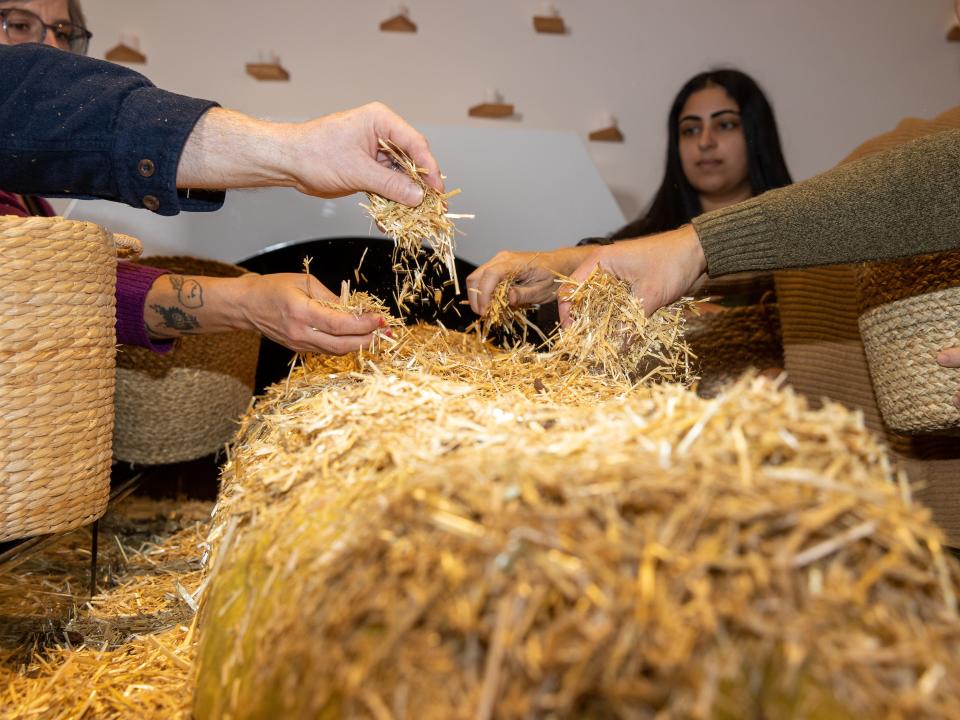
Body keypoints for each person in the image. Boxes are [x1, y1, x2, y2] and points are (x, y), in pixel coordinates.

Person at [0, 5, 441, 354]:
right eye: (20, 24)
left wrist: (249, 301)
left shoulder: (28, 202)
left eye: (65, 32)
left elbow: (60, 301)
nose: (49, 48)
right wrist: (294, 151)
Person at [466, 68, 791, 315]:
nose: (705, 141)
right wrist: (555, 267)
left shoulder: (794, 245)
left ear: (756, 134)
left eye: (725, 125)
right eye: (690, 130)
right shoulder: (641, 239)